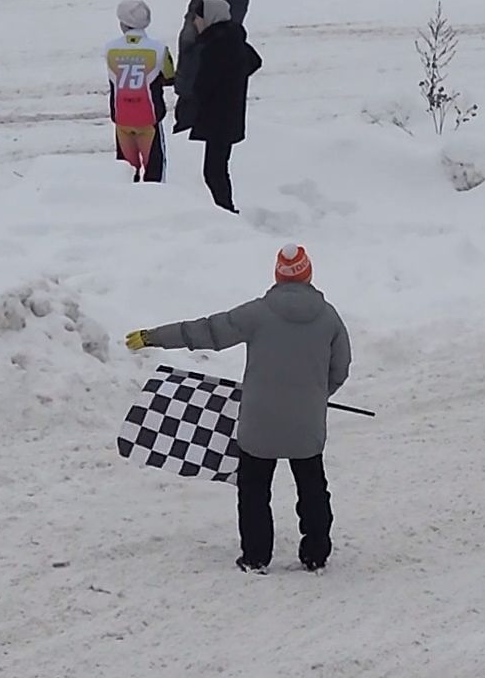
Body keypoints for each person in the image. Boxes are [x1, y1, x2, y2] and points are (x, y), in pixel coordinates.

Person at [123, 245, 351, 574]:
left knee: (254, 490)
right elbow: (340, 369)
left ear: (277, 274)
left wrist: (152, 337)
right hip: (307, 423)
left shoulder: (256, 314)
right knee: (312, 486)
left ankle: (256, 556)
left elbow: (207, 330)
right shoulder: (329, 318)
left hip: (259, 422)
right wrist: (316, 396)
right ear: (308, 273)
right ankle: (315, 553)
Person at [187, 0, 261, 214]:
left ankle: (226, 211)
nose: (195, 23)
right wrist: (235, 82)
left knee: (213, 171)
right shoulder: (233, 39)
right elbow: (254, 61)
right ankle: (225, 209)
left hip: (217, 116)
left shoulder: (215, 45)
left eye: (198, 18)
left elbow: (203, 84)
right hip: (230, 114)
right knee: (217, 168)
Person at [173, 0, 249, 135]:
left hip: (201, 75)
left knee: (196, 131)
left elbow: (188, 40)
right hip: (230, 76)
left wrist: (182, 84)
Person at [107, 0, 175, 183]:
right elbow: (170, 76)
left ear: (122, 23)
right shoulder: (159, 49)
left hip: (122, 118)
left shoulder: (110, 49)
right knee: (154, 172)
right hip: (149, 118)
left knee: (126, 173)